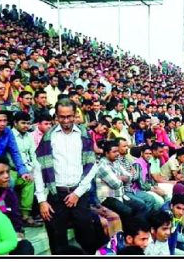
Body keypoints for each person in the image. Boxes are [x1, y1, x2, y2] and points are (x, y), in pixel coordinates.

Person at [33, 99, 106, 254]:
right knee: (57, 241)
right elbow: (39, 168)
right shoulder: (49, 137)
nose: (66, 121)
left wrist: (77, 193)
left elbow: (91, 165)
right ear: (56, 117)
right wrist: (41, 200)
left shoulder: (84, 134)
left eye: (69, 116)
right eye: (62, 117)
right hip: (56, 195)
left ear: (75, 115)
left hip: (79, 194)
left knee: (87, 238)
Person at [0, 156, 36, 254]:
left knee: (26, 246)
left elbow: (16, 219)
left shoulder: (9, 194)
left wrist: (18, 233)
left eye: (7, 172)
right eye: (0, 173)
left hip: (6, 239)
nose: (6, 176)